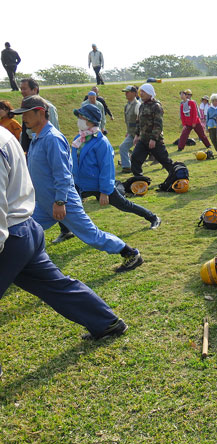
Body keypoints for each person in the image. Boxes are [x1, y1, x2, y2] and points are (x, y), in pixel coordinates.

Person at [0, 125, 128, 377]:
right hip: (25, 227)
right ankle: (105, 322)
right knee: (55, 284)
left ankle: (107, 317)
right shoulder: (5, 135)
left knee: (60, 278)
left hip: (11, 234)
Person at [11, 96, 143, 272]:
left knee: (92, 235)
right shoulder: (37, 137)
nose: (23, 118)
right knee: (23, 231)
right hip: (44, 203)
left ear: (40, 113)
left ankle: (131, 254)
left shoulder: (52, 138)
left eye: (26, 114)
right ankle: (20, 264)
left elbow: (63, 174)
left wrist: (60, 202)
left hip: (63, 202)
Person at [61, 105, 161, 235]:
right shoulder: (78, 139)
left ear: (90, 120)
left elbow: (107, 168)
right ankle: (66, 231)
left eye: (81, 117)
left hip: (98, 183)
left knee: (124, 204)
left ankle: (153, 217)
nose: (78, 120)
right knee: (63, 201)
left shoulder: (101, 142)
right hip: (80, 183)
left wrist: (104, 191)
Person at [131, 83, 174, 178]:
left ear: (150, 93)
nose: (141, 94)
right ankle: (139, 180)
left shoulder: (156, 106)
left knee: (164, 160)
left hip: (155, 140)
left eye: (143, 92)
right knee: (135, 158)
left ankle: (176, 176)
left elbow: (158, 124)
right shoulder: (142, 106)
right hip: (143, 140)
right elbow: (139, 122)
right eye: (140, 91)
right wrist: (136, 135)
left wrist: (153, 139)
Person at [118, 85, 140, 173]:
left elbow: (140, 121)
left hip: (139, 134)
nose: (126, 94)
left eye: (128, 92)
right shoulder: (127, 106)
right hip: (132, 133)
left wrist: (138, 135)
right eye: (125, 92)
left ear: (134, 93)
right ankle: (127, 166)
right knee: (123, 147)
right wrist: (128, 131)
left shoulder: (138, 105)